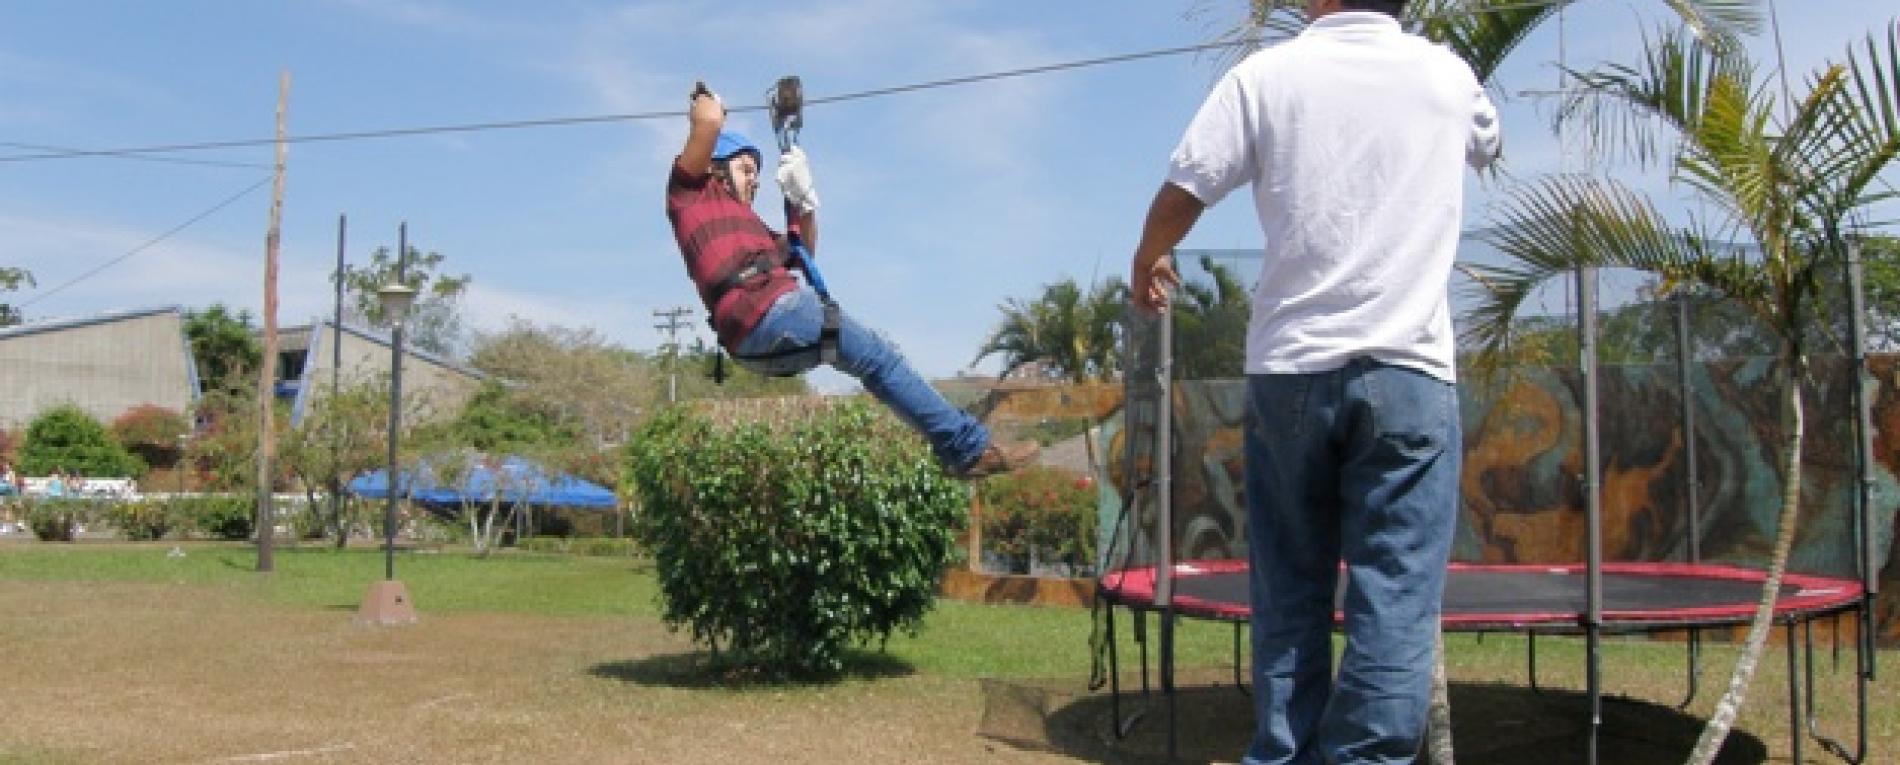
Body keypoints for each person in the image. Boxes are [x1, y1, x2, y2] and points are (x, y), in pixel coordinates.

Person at [1128, 1, 1501, 762]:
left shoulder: (1266, 77)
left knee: (1290, 591)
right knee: (1393, 595)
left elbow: (1186, 185)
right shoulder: (1448, 77)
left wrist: (1149, 253)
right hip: (1409, 372)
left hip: (1290, 372)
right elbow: (1487, 144)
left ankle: (1283, 752)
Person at [664, 81, 1037, 478]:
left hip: (759, 332)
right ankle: (964, 448)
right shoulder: (689, 196)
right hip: (763, 313)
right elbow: (706, 122)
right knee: (879, 355)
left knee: (876, 358)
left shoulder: (752, 229)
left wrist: (805, 202)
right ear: (715, 168)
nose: (755, 180)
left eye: (757, 173)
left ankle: (957, 441)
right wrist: (709, 101)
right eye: (746, 169)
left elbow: (802, 253)